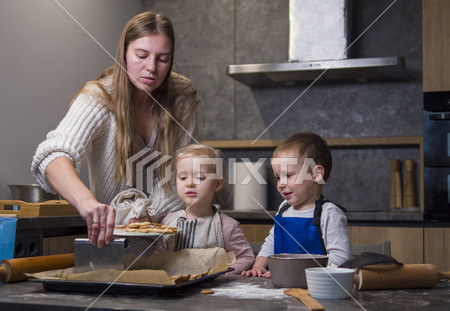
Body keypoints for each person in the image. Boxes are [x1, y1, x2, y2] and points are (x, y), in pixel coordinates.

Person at [31, 11, 200, 248]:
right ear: (123, 54)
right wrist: (88, 204)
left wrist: (145, 218)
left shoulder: (182, 99)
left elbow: (183, 174)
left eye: (163, 59)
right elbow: (52, 156)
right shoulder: (99, 97)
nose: (151, 67)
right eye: (141, 55)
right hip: (111, 240)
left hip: (171, 235)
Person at [242, 132, 352, 278]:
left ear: (316, 174)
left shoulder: (329, 213)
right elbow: (271, 243)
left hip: (315, 288)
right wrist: (259, 265)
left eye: (287, 175)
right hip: (281, 285)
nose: (281, 184)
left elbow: (342, 258)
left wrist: (300, 272)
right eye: (277, 177)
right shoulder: (284, 209)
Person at [154, 144, 255, 274]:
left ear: (217, 184)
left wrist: (223, 274)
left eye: (200, 177)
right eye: (183, 178)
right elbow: (158, 258)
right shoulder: (167, 222)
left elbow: (246, 257)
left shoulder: (227, 227)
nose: (189, 183)